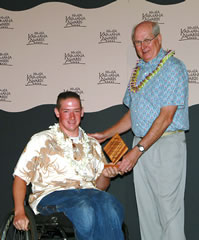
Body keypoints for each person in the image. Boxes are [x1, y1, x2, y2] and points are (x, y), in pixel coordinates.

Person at [90, 21, 189, 240]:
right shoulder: (139, 71)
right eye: (137, 42)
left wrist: (138, 150)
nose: (142, 46)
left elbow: (166, 117)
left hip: (165, 144)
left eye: (147, 40)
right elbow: (133, 114)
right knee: (147, 214)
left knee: (169, 213)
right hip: (140, 144)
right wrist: (105, 135)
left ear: (159, 39)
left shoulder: (173, 67)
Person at [12, 91, 124, 240]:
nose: (72, 117)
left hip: (89, 194)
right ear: (57, 112)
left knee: (110, 204)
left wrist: (105, 175)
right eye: (66, 111)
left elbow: (101, 187)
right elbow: (20, 177)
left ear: (82, 112)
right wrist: (19, 211)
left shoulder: (92, 144)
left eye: (76, 111)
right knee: (84, 209)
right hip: (52, 195)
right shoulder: (41, 140)